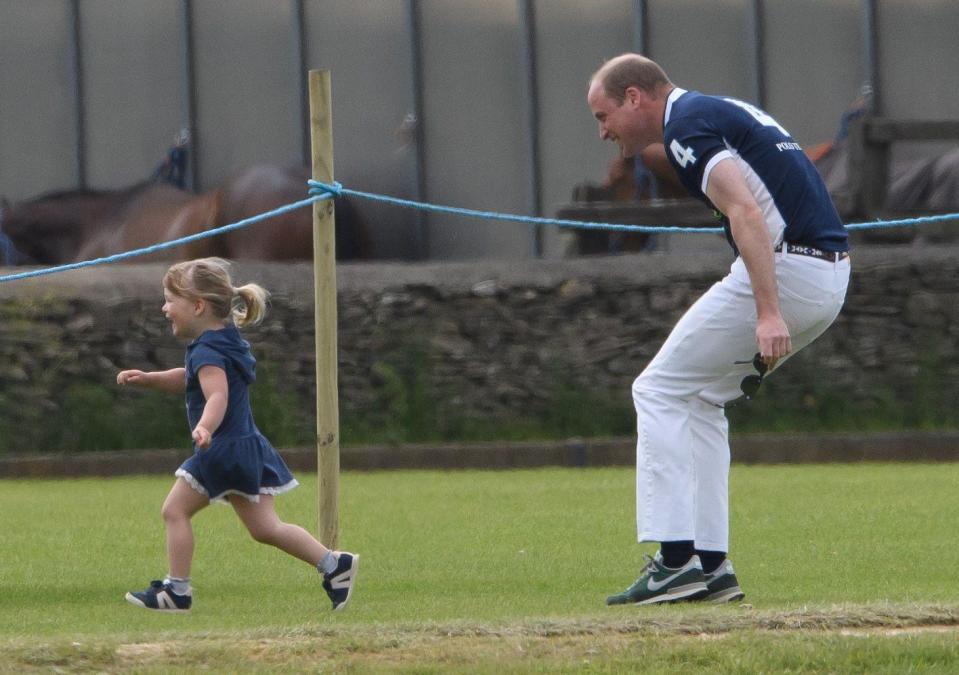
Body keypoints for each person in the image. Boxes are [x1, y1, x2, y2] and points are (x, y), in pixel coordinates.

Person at [587, 54, 850, 605]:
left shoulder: (684, 126)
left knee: (655, 389)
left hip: (791, 270)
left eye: (603, 114)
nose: (603, 130)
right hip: (827, 273)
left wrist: (769, 312)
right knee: (703, 398)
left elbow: (745, 211)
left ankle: (675, 560)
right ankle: (711, 566)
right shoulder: (716, 109)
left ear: (635, 98)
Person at [117, 257, 358, 612]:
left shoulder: (208, 349)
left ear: (197, 306)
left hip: (222, 448)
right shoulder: (224, 339)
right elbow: (195, 379)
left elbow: (217, 395)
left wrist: (205, 427)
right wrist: (151, 379)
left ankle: (176, 591)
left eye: (170, 299)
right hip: (245, 446)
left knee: (174, 511)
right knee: (265, 528)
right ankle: (333, 565)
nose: (164, 308)